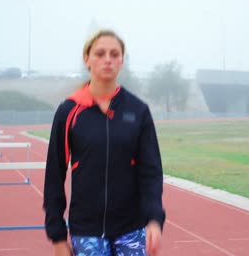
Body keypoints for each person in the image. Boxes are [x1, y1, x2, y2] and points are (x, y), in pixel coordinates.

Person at [43, 29, 165, 256]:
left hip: (132, 229)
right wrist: (57, 235)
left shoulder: (138, 111)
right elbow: (54, 176)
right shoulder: (68, 111)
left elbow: (151, 172)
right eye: (100, 53)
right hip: (87, 232)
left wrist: (154, 220)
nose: (107, 59)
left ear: (121, 61)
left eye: (114, 54)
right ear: (86, 59)